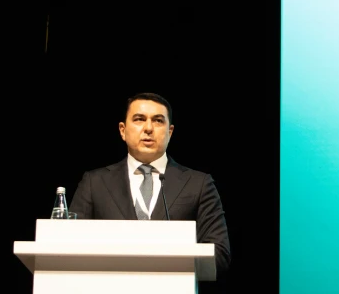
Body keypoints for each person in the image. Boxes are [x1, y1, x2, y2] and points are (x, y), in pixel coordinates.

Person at [68, 92, 231, 275]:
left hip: (173, 289)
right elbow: (68, 244)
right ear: (122, 130)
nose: (148, 128)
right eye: (139, 119)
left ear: (170, 132)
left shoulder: (198, 184)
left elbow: (219, 253)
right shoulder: (94, 183)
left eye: (158, 121)